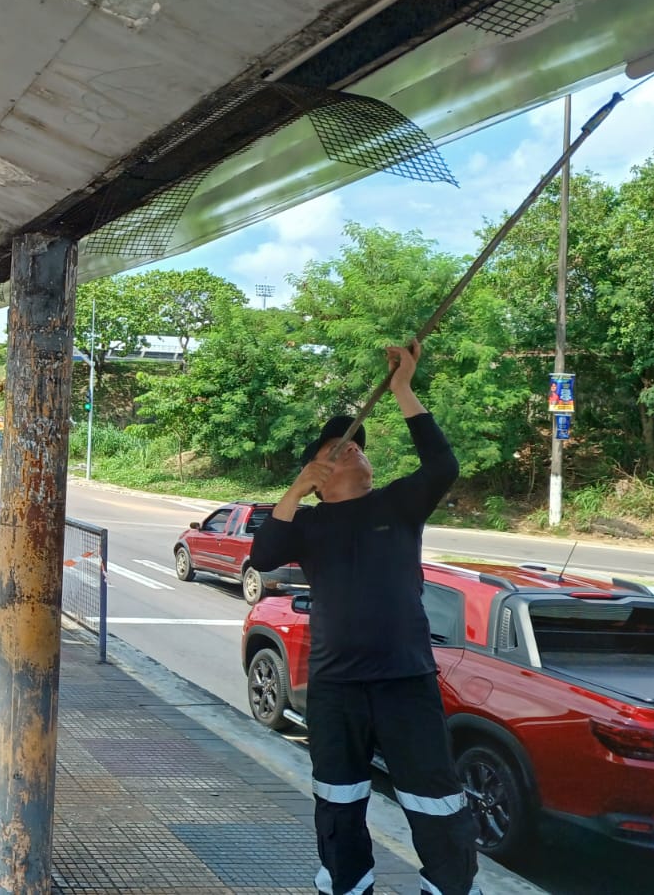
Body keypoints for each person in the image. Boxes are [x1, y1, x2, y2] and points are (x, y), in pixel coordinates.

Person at [249, 342, 477, 895]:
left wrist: (402, 388)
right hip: (335, 687)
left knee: (436, 800)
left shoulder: (398, 505)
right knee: (338, 799)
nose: (354, 450)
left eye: (357, 446)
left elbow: (443, 465)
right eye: (338, 448)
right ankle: (348, 887)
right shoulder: (308, 523)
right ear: (319, 474)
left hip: (405, 679)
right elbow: (262, 557)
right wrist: (297, 488)